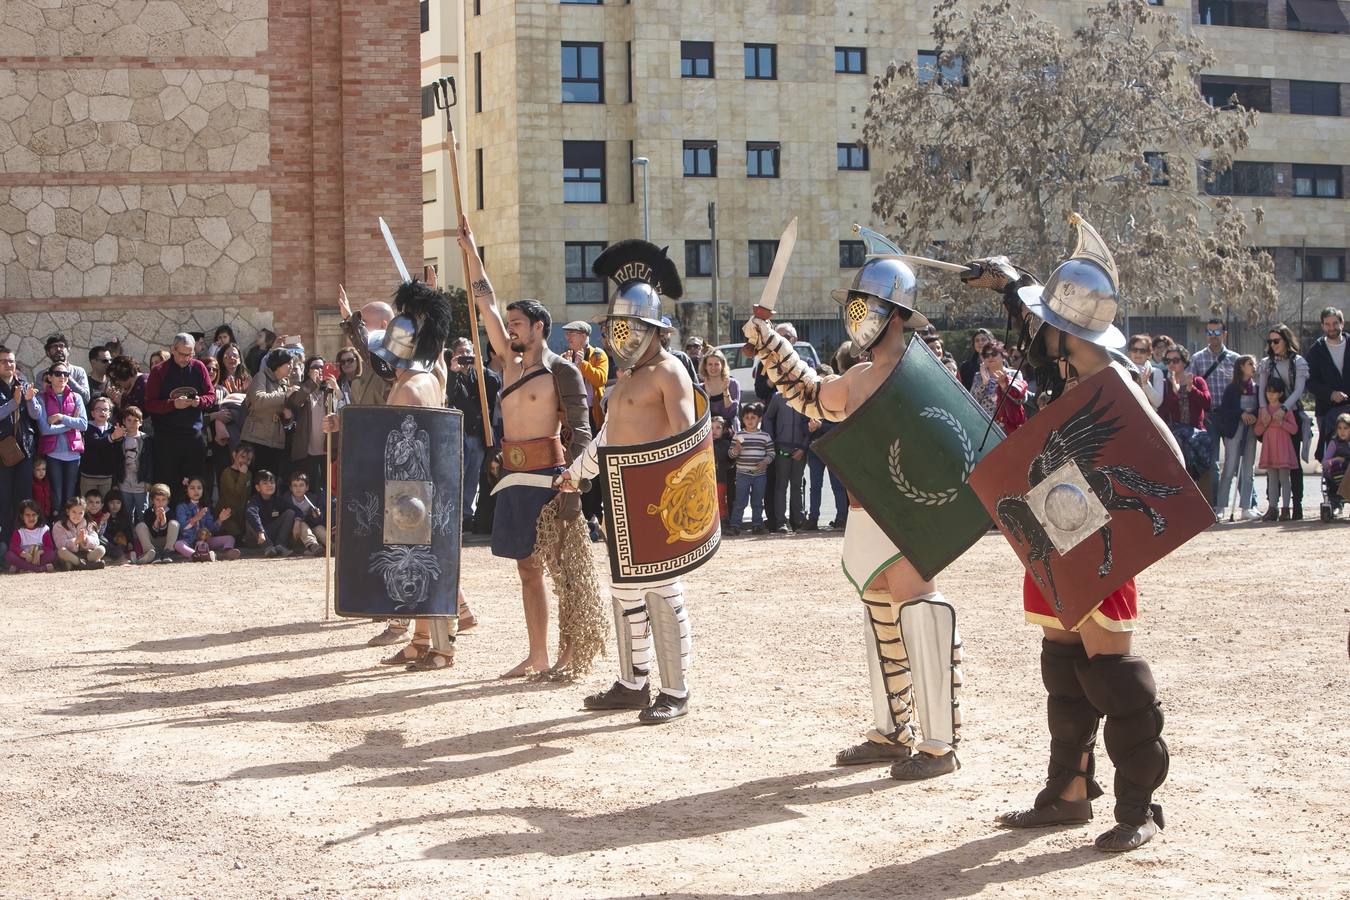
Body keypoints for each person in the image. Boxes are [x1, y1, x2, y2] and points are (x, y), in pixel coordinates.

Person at [964, 215, 1176, 851]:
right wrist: (1010, 283)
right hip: (1058, 531)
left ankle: (1138, 808)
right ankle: (1069, 792)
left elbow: (1165, 453)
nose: (1042, 332)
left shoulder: (1115, 384)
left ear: (1069, 333)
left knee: (1112, 673)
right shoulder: (1066, 374)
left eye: (1053, 323)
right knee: (1063, 665)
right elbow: (1032, 331)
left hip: (1100, 540)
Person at [743, 230, 963, 781]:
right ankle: (893, 731)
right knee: (880, 612)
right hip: (866, 514)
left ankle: (939, 743)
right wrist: (771, 344)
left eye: (867, 307)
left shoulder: (923, 374)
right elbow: (810, 394)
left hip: (908, 513)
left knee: (918, 608)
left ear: (894, 314)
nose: (857, 316)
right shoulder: (861, 376)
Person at [559, 238, 702, 723]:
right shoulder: (624, 378)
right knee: (624, 591)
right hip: (621, 496)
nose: (622, 337)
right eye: (617, 328)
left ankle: (676, 690)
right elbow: (609, 436)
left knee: (663, 591)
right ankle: (632, 683)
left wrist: (677, 494)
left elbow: (687, 433)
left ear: (653, 329)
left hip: (656, 497)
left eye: (630, 327)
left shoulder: (670, 372)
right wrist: (577, 474)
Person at [460, 215, 591, 678]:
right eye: (510, 324)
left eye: (518, 324)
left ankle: (570, 654)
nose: (510, 330)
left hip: (550, 475)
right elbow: (486, 304)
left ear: (538, 326)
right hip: (512, 476)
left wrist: (573, 480)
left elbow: (580, 428)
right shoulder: (509, 365)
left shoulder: (563, 370)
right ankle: (537, 655)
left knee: (563, 570)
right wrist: (471, 248)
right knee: (527, 569)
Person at [334, 271, 477, 670]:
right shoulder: (426, 376)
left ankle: (443, 648)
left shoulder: (413, 385)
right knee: (415, 560)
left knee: (426, 564)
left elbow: (401, 442)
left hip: (415, 487)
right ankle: (418, 642)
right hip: (413, 489)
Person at [144, 333, 216, 505]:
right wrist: (172, 405)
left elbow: (211, 396)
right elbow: (149, 404)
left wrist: (200, 401)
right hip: (167, 438)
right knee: (167, 483)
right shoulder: (159, 371)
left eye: (189, 354)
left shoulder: (198, 367)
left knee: (195, 483)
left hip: (193, 437)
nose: (186, 358)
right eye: (182, 354)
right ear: (173, 349)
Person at [446, 337, 501, 529]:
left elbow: (495, 386)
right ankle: (452, 513)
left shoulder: (482, 374)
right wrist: (453, 372)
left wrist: (480, 369)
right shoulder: (449, 373)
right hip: (456, 434)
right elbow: (447, 395)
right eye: (461, 352)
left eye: (468, 352)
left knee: (472, 476)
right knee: (456, 476)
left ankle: (466, 514)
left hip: (477, 434)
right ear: (453, 354)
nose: (465, 356)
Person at [1257, 323, 1310, 519]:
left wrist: (1285, 408)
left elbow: (1299, 389)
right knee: (1272, 464)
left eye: (1276, 341)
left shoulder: (1298, 362)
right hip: (1269, 417)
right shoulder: (1266, 363)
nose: (1273, 345)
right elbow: (1261, 388)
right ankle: (1273, 506)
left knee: (1292, 463)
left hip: (1290, 415)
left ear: (1286, 340)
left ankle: (1296, 505)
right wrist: (1263, 408)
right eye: (1270, 341)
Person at [1188, 319, 1240, 503]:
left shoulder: (1235, 359)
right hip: (1208, 416)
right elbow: (1191, 387)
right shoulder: (1197, 359)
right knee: (1212, 463)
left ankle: (1248, 503)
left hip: (1231, 416)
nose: (1213, 336)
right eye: (1210, 332)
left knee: (1236, 461)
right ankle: (1215, 503)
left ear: (1224, 334)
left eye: (1217, 332)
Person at [0, 346, 41, 537]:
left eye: (11, 361)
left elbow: (36, 414)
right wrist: (14, 403)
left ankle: (23, 540)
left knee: (23, 498)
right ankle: (6, 542)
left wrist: (30, 400)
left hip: (24, 449)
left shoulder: (23, 383)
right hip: (3, 452)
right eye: (4, 361)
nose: (9, 364)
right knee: (4, 498)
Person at [1158, 345, 1212, 490]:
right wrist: (1174, 393)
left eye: (1175, 360)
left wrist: (1191, 390)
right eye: (1167, 361)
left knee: (1208, 470)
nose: (1171, 365)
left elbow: (1207, 403)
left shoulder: (1197, 381)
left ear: (1184, 362)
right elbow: (1162, 412)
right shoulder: (1165, 384)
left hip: (1196, 435)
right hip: (1177, 437)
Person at [1213, 355, 1260, 520]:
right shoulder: (1231, 388)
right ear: (1241, 367)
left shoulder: (1257, 388)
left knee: (1248, 470)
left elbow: (1260, 408)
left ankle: (1247, 507)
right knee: (1229, 468)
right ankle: (1220, 507)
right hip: (1234, 432)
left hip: (1251, 432)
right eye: (1250, 364)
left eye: (1254, 364)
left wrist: (1253, 416)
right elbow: (1225, 410)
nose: (1254, 366)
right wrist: (1241, 414)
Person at [36, 364, 88, 514]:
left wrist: (61, 417)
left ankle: (69, 526)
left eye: (66, 373)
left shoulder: (76, 397)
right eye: (58, 373)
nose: (62, 377)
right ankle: (56, 524)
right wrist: (72, 423)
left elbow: (83, 424)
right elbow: (45, 430)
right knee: (57, 495)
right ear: (50, 377)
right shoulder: (41, 398)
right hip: (53, 454)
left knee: (70, 495)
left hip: (73, 454)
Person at [241, 348, 295, 480]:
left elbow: (280, 411)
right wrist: (285, 395)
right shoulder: (261, 376)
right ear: (278, 364)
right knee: (256, 480)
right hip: (256, 439)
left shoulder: (283, 384)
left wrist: (288, 417)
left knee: (270, 481)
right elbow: (258, 400)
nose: (291, 367)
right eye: (288, 363)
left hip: (275, 441)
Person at [1305, 306, 1350, 460]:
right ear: (1322, 326)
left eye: (1335, 323)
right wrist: (1330, 394)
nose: (1332, 328)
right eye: (1327, 324)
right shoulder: (1316, 351)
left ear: (1342, 323)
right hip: (1327, 411)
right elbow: (1310, 382)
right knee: (1331, 455)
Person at [762, 388, 809, 533]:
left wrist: (803, 447)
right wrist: (772, 440)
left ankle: (798, 521)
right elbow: (768, 417)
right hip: (782, 447)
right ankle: (781, 522)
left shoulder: (806, 397)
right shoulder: (778, 397)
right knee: (781, 485)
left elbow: (811, 424)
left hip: (800, 449)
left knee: (797, 485)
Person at [285, 357, 334, 492]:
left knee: (328, 487)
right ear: (308, 371)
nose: (319, 370)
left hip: (327, 449)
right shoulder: (302, 388)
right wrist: (311, 382)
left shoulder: (330, 389)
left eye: (321, 367)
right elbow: (296, 403)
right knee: (310, 487)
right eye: (315, 367)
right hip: (307, 450)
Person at [1256, 381, 1300, 521]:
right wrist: (1265, 422)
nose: (1270, 395)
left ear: (1280, 394)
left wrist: (1281, 422)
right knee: (1272, 479)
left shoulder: (1285, 409)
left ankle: (1285, 509)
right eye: (1268, 392)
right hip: (1269, 447)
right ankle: (1272, 508)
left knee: (1284, 479)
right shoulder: (1263, 410)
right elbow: (1257, 431)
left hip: (1283, 447)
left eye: (1274, 392)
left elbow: (1294, 429)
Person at [726, 402, 771, 535]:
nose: (750, 421)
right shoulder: (739, 436)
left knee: (758, 501)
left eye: (753, 417)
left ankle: (757, 525)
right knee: (740, 501)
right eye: (747, 418)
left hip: (760, 474)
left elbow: (771, 452)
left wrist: (765, 461)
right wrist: (736, 449)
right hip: (742, 474)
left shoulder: (765, 436)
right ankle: (735, 526)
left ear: (760, 419)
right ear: (742, 419)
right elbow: (730, 454)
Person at [173, 476, 240, 560]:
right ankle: (199, 556)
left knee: (230, 538)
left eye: (199, 488)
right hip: (188, 540)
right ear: (186, 491)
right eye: (192, 488)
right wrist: (195, 519)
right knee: (178, 544)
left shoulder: (205, 507)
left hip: (205, 541)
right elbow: (182, 527)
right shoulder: (181, 507)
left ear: (203, 490)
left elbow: (211, 528)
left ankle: (225, 554)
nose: (196, 491)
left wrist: (220, 520)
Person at [971, 340, 1028, 434]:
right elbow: (972, 401)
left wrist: (1005, 387)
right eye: (986, 355)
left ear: (1003, 356)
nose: (990, 357)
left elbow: (1022, 399)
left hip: (1010, 427)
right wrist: (984, 383)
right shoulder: (978, 376)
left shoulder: (1014, 374)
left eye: (994, 353)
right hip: (986, 428)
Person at [243, 470, 296, 557]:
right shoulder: (254, 500)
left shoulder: (278, 500)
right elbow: (250, 512)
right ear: (258, 488)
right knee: (250, 517)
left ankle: (280, 546)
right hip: (258, 538)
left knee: (290, 513)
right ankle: (268, 547)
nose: (269, 485)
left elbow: (295, 510)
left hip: (271, 534)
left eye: (272, 482)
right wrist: (260, 531)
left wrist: (298, 520)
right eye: (265, 483)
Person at [79, 396, 123, 499]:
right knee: (88, 505)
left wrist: (119, 439)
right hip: (89, 475)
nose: (102, 412)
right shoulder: (87, 427)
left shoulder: (113, 429)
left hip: (106, 476)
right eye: (98, 409)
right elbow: (95, 443)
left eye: (105, 410)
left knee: (103, 505)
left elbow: (117, 452)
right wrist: (112, 438)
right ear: (93, 413)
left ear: (110, 414)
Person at [114, 405, 152, 520]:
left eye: (135, 420)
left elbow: (150, 461)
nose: (132, 423)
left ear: (140, 422)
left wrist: (148, 480)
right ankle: (130, 535)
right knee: (126, 512)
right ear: (124, 421)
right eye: (129, 420)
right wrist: (115, 482)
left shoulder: (146, 439)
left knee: (143, 512)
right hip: (124, 483)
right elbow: (115, 461)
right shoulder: (119, 438)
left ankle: (142, 535)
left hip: (140, 483)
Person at [52, 495, 106, 570]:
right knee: (61, 551)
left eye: (80, 513)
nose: (77, 516)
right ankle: (85, 565)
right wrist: (76, 541)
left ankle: (78, 565)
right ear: (68, 512)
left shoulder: (89, 523)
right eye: (74, 512)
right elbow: (60, 544)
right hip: (70, 554)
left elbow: (96, 541)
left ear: (84, 513)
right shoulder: (59, 525)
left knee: (101, 549)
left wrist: (85, 539)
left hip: (86, 554)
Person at [35, 334, 91, 405]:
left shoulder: (79, 372)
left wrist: (66, 375)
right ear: (48, 353)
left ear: (68, 350)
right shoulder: (42, 375)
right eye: (54, 347)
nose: (58, 349)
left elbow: (85, 398)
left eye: (61, 346)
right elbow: (38, 402)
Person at [281, 472, 326, 556]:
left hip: (312, 530)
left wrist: (316, 516)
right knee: (302, 524)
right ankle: (314, 546)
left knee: (319, 528)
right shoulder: (286, 499)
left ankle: (332, 546)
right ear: (290, 488)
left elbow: (318, 521)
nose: (298, 488)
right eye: (295, 485)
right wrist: (297, 521)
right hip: (294, 533)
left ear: (307, 487)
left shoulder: (313, 499)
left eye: (301, 485)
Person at [134, 483, 178, 565]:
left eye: (163, 499)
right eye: (157, 499)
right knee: (140, 526)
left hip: (165, 542)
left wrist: (163, 521)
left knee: (174, 523)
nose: (160, 502)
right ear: (152, 500)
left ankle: (168, 552)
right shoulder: (148, 513)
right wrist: (157, 520)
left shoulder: (171, 512)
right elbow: (153, 533)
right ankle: (152, 553)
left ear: (168, 501)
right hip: (153, 542)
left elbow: (164, 532)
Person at [216, 444, 253, 541]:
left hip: (242, 514)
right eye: (242, 457)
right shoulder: (227, 473)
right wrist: (242, 475)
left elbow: (247, 494)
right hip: (229, 515)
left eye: (248, 459)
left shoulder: (248, 474)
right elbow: (235, 492)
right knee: (235, 536)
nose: (245, 461)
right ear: (234, 455)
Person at [7, 500, 54, 573]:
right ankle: (39, 569)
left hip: (38, 559)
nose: (31, 518)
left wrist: (38, 553)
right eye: (27, 515)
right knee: (9, 555)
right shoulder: (19, 531)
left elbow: (49, 547)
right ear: (22, 516)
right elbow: (13, 547)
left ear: (38, 515)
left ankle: (21, 568)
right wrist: (24, 554)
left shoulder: (43, 529)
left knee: (52, 554)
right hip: (24, 558)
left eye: (34, 514)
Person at [700, 349, 740, 432]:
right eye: (710, 364)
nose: (713, 367)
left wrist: (725, 391)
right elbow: (700, 416)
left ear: (722, 365)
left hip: (730, 431)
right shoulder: (700, 388)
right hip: (708, 432)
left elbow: (731, 414)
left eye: (716, 364)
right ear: (705, 366)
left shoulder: (733, 384)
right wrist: (707, 395)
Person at [1126, 334, 1164, 410]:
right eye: (1134, 350)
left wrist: (1145, 383)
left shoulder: (1156, 372)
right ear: (1130, 352)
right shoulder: (1123, 370)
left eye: (1142, 351)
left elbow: (1158, 402)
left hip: (1148, 418)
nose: (1138, 353)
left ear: (1149, 354)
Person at [1321, 413, 1350, 506]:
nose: (1342, 431)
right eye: (1339, 428)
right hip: (1337, 475)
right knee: (1337, 467)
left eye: (1345, 428)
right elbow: (1325, 463)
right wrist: (1336, 459)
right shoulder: (1334, 443)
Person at [102, 489, 135, 563]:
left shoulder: (125, 516)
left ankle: (120, 556)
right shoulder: (104, 515)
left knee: (123, 545)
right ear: (107, 503)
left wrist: (130, 541)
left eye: (118, 503)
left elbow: (128, 530)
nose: (115, 505)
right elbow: (103, 532)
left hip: (121, 542)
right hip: (108, 542)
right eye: (111, 503)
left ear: (122, 504)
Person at [31, 457, 51, 521]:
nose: (41, 472)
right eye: (38, 470)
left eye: (43, 469)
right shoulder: (32, 483)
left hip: (46, 513)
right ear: (33, 471)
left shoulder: (47, 482)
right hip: (36, 514)